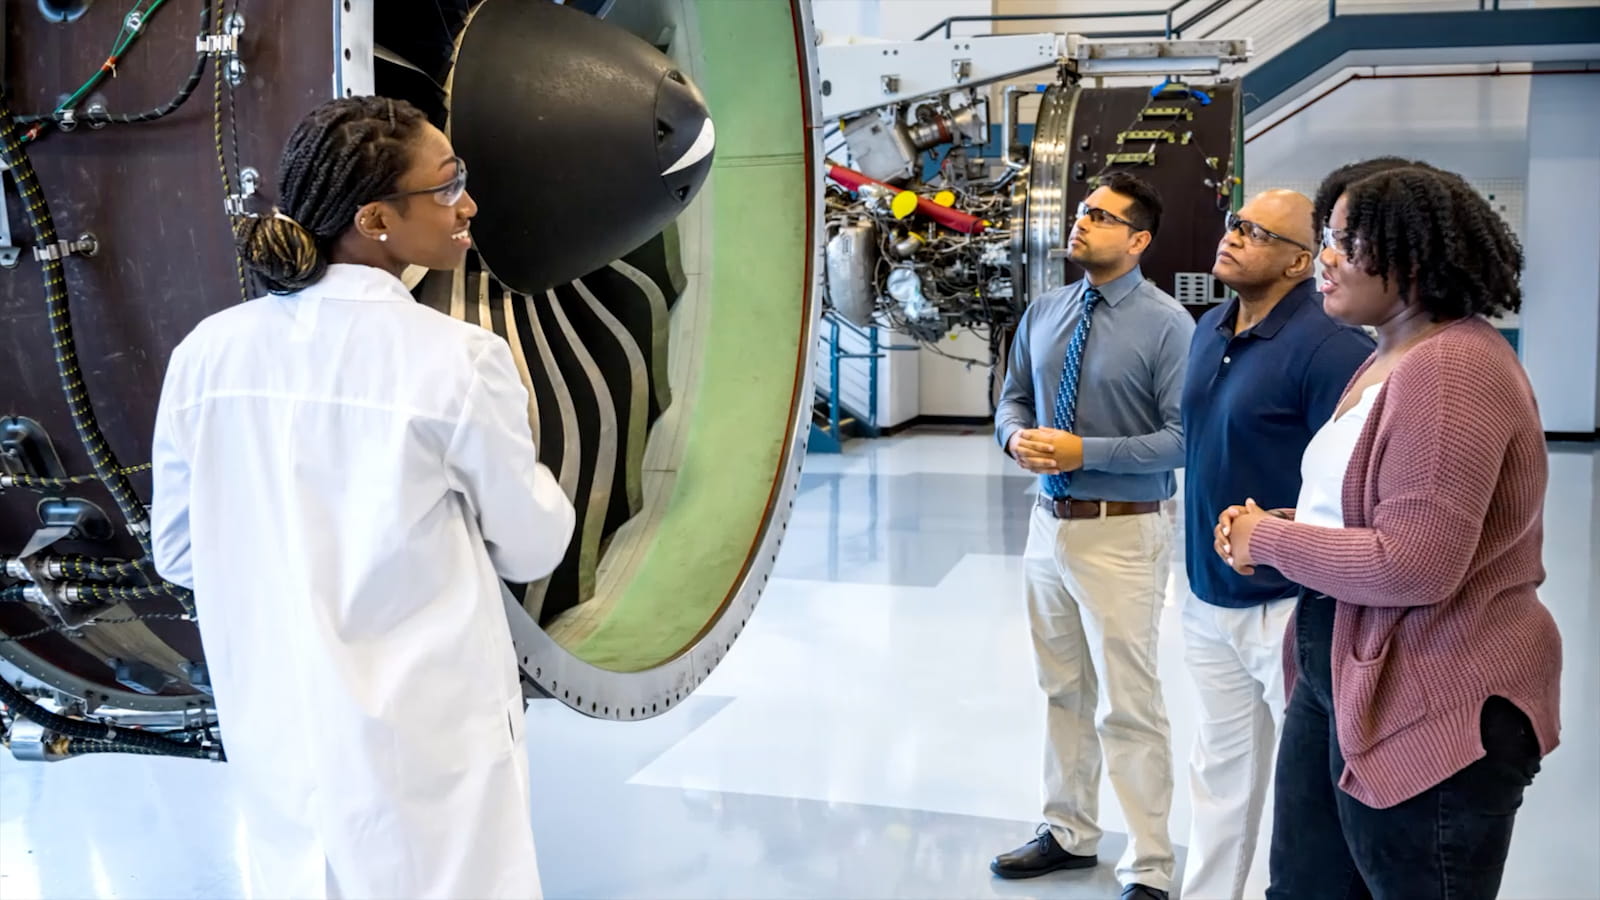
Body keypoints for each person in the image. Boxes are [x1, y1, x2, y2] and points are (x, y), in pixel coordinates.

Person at [150, 96, 576, 900]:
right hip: (427, 740)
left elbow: (179, 552)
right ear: (375, 218)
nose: (468, 206)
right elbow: (533, 543)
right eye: (447, 188)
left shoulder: (206, 354)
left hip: (276, 729)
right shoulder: (457, 360)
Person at [1215, 165, 1561, 899]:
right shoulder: (1387, 356)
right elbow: (1382, 508)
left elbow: (1415, 565)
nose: (1327, 258)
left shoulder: (1451, 368)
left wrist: (1269, 544)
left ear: (1415, 254)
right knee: (1306, 886)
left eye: (1348, 240)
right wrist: (1291, 525)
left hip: (1434, 688)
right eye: (1327, 238)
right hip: (1342, 658)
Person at [991, 172, 1195, 900]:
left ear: (1138, 240)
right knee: (1062, 689)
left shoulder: (1170, 325)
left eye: (1103, 218)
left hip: (1124, 534)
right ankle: (1070, 831)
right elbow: (1012, 397)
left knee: (1127, 702)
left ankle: (1150, 863)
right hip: (1048, 528)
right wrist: (1014, 438)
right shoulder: (1046, 310)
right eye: (1083, 211)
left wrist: (1088, 453)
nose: (1082, 223)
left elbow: (1183, 439)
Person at [1177, 189, 1373, 899]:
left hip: (1286, 607)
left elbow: (1354, 483)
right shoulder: (1210, 327)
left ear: (1299, 261)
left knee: (1312, 796)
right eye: (1236, 223)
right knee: (1218, 774)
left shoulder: (1332, 349)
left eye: (1258, 232)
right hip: (1204, 595)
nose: (1234, 236)